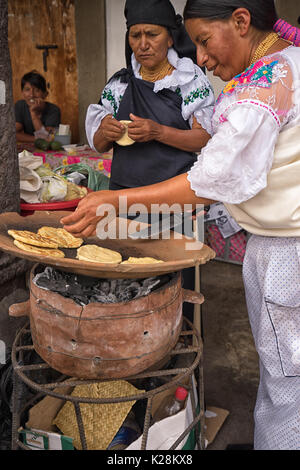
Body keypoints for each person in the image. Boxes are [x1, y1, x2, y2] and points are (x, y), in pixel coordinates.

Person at [62, 0, 300, 450]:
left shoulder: (269, 81)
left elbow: (212, 175)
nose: (203, 58)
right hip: (279, 246)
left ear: (242, 21)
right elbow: (217, 125)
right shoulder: (281, 65)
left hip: (288, 251)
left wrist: (114, 199)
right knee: (285, 372)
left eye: (206, 41)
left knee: (289, 384)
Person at [85, 0, 215, 322]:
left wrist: (158, 131)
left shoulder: (190, 82)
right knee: (124, 286)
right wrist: (106, 129)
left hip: (176, 205)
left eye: (152, 34)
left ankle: (178, 344)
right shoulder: (119, 84)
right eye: (135, 35)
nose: (142, 44)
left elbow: (205, 139)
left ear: (170, 37)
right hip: (123, 205)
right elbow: (99, 145)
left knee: (174, 290)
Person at [15, 70, 61, 143]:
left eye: (37, 90)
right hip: (28, 149)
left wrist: (33, 114)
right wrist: (36, 139)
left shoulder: (53, 110)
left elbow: (47, 138)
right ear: (22, 93)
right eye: (27, 90)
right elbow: (12, 134)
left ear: (45, 94)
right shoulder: (20, 106)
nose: (31, 95)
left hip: (48, 150)